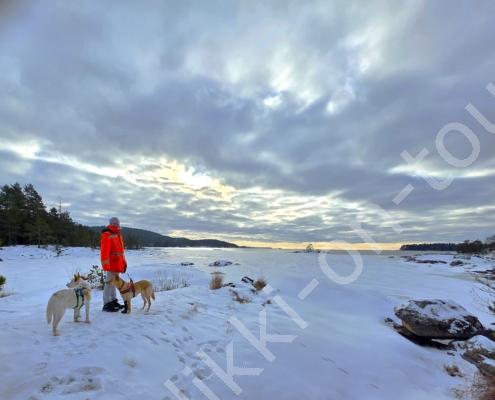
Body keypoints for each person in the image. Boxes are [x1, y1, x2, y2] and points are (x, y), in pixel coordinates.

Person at [100, 217, 127, 312]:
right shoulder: (107, 234)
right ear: (111, 224)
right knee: (108, 284)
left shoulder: (118, 234)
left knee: (114, 283)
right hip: (111, 264)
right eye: (115, 223)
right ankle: (106, 304)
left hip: (117, 264)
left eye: (117, 223)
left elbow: (121, 252)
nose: (116, 224)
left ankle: (113, 301)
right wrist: (106, 265)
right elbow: (104, 251)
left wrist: (124, 263)